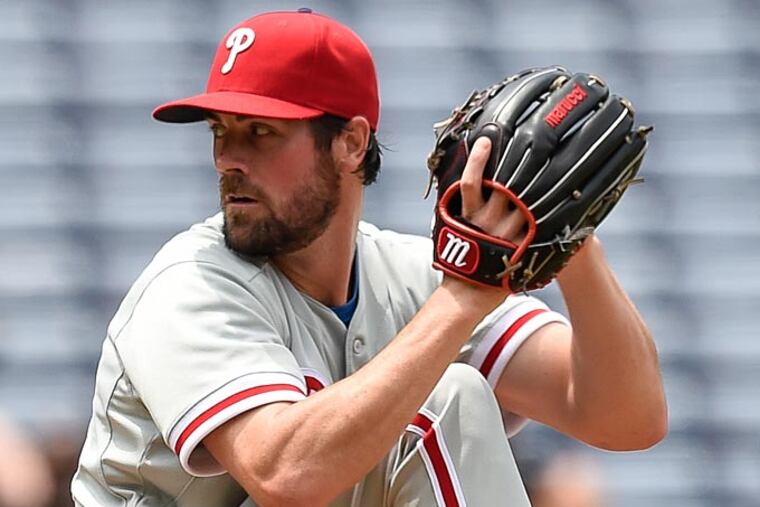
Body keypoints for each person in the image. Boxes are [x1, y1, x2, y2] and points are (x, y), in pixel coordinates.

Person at [71, 8, 667, 507]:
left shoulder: (406, 276)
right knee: (443, 401)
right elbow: (283, 474)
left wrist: (571, 237)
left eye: (260, 132)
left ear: (351, 143)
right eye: (220, 131)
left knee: (447, 397)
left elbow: (626, 418)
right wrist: (462, 298)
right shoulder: (188, 284)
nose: (229, 158)